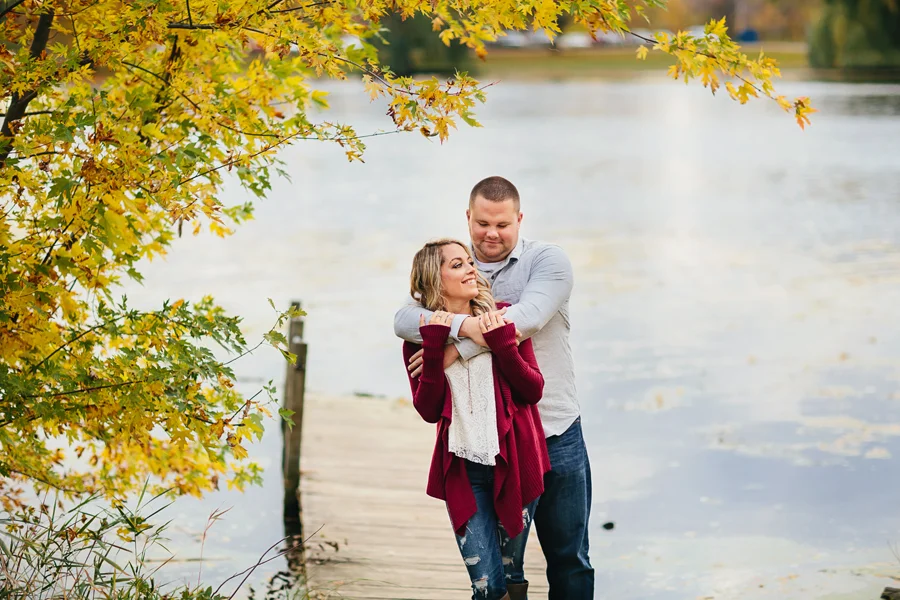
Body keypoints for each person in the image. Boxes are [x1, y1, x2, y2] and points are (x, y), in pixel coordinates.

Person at [395, 176, 594, 599]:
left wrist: (452, 349)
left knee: (570, 559)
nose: (491, 234)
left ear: (519, 219)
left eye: (502, 225)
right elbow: (404, 320)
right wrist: (462, 326)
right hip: (493, 444)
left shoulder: (547, 261)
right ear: (468, 217)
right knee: (504, 573)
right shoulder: (452, 264)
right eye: (482, 223)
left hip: (556, 429)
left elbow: (526, 319)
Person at [402, 238, 551, 600]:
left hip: (516, 461)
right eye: (457, 265)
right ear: (433, 280)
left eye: (469, 262)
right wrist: (435, 348)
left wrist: (502, 343)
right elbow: (428, 410)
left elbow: (533, 390)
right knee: (487, 586)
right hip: (464, 471)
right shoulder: (420, 340)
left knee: (512, 574)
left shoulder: (503, 317)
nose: (471, 269)